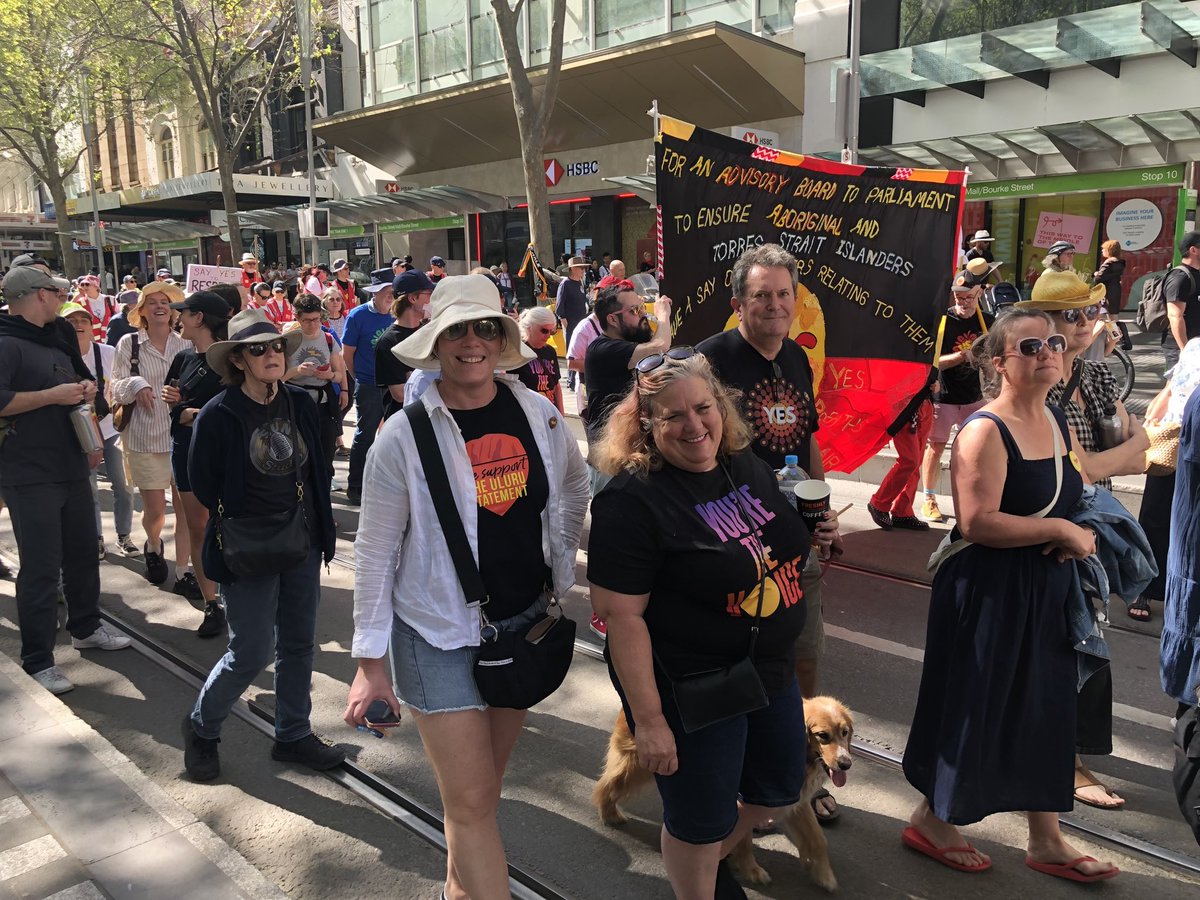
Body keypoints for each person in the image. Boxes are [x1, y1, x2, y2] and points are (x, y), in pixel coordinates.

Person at [344, 274, 588, 900]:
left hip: (521, 624)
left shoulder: (538, 415)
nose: (472, 342)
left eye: (485, 328)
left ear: (502, 340)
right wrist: (370, 662)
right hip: (436, 634)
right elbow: (372, 552)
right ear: (435, 342)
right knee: (475, 802)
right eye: (456, 330)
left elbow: (572, 490)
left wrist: (562, 570)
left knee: (474, 801)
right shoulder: (401, 436)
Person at [902, 309, 1119, 883]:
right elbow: (976, 522)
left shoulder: (1054, 418)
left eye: (1052, 341)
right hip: (989, 589)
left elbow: (1070, 485)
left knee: (1046, 705)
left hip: (1046, 587)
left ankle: (1046, 838)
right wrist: (1060, 531)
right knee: (977, 701)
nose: (1047, 351)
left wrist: (1086, 524)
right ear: (999, 363)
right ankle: (934, 817)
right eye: (1030, 346)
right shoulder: (982, 429)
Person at [587, 349, 812, 898]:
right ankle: (698, 882)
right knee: (699, 817)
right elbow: (623, 618)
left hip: (770, 671)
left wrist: (812, 536)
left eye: (703, 407)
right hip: (697, 688)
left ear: (721, 406)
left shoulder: (744, 463)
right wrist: (650, 722)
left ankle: (707, 865)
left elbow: (777, 540)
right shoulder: (631, 501)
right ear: (645, 424)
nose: (695, 425)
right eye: (673, 416)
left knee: (779, 788)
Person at [697, 243, 843, 820]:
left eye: (785, 294)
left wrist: (823, 512)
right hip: (734, 540)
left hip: (794, 537)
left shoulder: (799, 361)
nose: (775, 305)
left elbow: (806, 439)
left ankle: (804, 774)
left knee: (801, 655)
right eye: (762, 295)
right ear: (739, 304)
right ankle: (734, 781)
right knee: (736, 663)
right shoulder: (709, 360)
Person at [182, 308, 343, 782]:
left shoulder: (298, 402)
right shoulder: (219, 414)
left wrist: (320, 530)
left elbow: (316, 470)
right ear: (238, 360)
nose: (272, 354)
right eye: (258, 349)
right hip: (246, 546)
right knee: (251, 651)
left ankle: (292, 734)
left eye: (276, 346)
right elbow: (201, 483)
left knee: (297, 644)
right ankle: (202, 728)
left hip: (300, 538)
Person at [1016, 270, 1151, 811]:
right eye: (1073, 314)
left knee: (1087, 639)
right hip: (1049, 530)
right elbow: (1086, 466)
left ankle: (1069, 754)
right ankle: (1062, 762)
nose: (1086, 322)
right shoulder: (1035, 383)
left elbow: (1136, 457)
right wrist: (1104, 460)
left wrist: (1102, 462)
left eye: (1090, 311)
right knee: (1061, 643)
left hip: (1092, 535)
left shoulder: (1094, 377)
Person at [0, 266, 131, 695]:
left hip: (71, 463)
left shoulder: (54, 334)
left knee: (81, 554)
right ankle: (38, 661)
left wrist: (86, 390)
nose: (62, 298)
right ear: (37, 295)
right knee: (40, 568)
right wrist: (52, 396)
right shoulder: (6, 342)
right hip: (29, 471)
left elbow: (76, 380)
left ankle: (86, 627)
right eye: (56, 292)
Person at [111, 280, 191, 585]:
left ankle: (184, 570)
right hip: (144, 436)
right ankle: (154, 545)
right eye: (153, 302)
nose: (160, 306)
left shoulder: (185, 345)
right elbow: (116, 387)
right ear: (142, 310)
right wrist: (138, 384)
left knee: (185, 509)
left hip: (180, 434)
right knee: (156, 509)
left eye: (165, 301)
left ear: (173, 311)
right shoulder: (129, 344)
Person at [162, 290, 231, 637]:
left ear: (200, 318)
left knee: (229, 524)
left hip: (223, 453)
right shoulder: (182, 357)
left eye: (184, 312)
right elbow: (171, 400)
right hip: (184, 448)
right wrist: (176, 407)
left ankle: (239, 596)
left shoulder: (233, 359)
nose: (179, 318)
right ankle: (212, 602)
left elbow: (240, 408)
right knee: (197, 527)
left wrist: (197, 414)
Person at [60, 302, 136, 558]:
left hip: (110, 428)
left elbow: (122, 383)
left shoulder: (108, 352)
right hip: (79, 431)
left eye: (83, 320)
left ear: (92, 327)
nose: (79, 325)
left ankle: (124, 535)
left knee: (124, 485)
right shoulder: (59, 356)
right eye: (72, 321)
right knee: (89, 489)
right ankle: (96, 538)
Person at [1134, 336, 1200, 623]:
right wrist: (1154, 417)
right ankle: (1145, 587)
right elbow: (1171, 386)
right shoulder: (1194, 346)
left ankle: (1185, 598)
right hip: (1174, 440)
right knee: (1155, 516)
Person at [920, 276, 994, 523]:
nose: (963, 302)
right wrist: (965, 355)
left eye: (968, 297)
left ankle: (977, 499)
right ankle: (928, 498)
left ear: (979, 293)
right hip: (945, 396)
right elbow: (933, 360)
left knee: (980, 450)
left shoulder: (988, 322)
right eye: (958, 296)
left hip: (975, 397)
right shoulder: (944, 320)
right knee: (936, 447)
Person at [342, 270, 396, 504]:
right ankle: (356, 485)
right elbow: (348, 354)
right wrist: (361, 378)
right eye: (386, 291)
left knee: (394, 436)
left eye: (392, 291)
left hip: (396, 384)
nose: (390, 295)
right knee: (365, 436)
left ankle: (387, 485)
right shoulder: (357, 316)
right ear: (375, 293)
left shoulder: (398, 314)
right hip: (369, 385)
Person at [285, 293, 349, 480]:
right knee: (300, 457)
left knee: (325, 456)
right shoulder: (288, 340)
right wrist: (297, 370)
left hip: (324, 405)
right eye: (306, 321)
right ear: (297, 317)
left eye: (316, 319)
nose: (313, 325)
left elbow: (339, 372)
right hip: (295, 405)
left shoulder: (328, 338)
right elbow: (278, 377)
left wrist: (332, 378)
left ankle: (323, 495)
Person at [374, 269, 434, 421]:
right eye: (429, 294)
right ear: (413, 298)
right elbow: (400, 394)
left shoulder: (428, 332)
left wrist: (411, 376)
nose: (433, 300)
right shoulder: (388, 342)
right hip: (404, 425)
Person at [509, 306, 563, 413]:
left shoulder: (550, 351)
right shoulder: (517, 352)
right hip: (529, 413)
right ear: (529, 327)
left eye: (551, 331)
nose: (548, 336)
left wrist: (561, 414)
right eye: (544, 330)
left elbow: (556, 386)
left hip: (550, 413)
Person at [1164, 232, 1200, 374]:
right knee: (1173, 389)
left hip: (1195, 344)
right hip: (1181, 346)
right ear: (1193, 250)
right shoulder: (1179, 277)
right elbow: (1174, 316)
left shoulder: (1196, 275)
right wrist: (1185, 351)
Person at [555, 256, 589, 391]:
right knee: (572, 351)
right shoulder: (565, 284)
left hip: (581, 322)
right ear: (573, 269)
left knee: (581, 351)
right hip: (571, 323)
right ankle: (571, 380)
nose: (583, 270)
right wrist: (564, 321)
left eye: (584, 268)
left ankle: (579, 379)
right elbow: (559, 306)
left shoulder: (580, 283)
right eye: (581, 268)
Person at [77, 273, 118, 341]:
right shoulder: (80, 303)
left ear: (96, 286)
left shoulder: (111, 300)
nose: (84, 287)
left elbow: (118, 319)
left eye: (87, 284)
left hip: (111, 341)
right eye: (82, 284)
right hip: (92, 344)